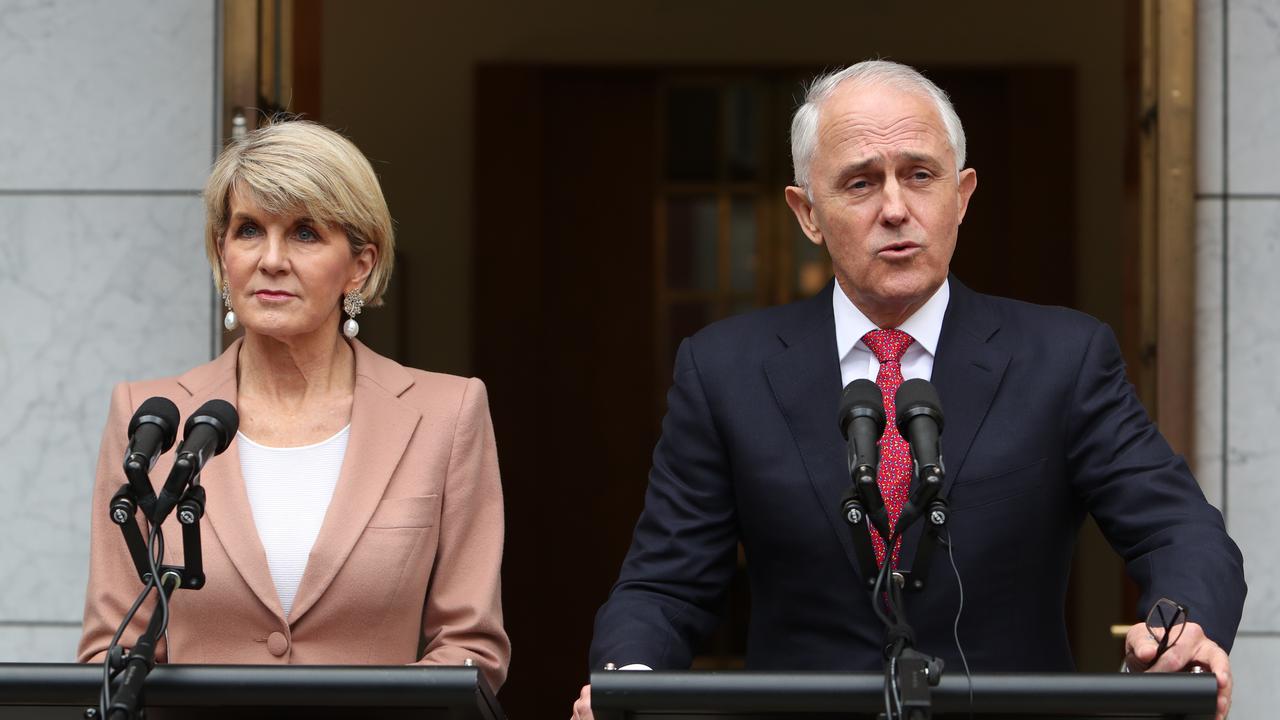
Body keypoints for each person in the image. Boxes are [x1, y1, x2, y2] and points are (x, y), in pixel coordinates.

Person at [573, 61, 1244, 719]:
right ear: (807, 212)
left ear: (962, 194)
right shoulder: (725, 369)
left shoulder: (1063, 358)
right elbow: (665, 585)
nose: (896, 209)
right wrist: (630, 686)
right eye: (861, 183)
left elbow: (1181, 535)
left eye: (920, 175)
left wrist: (1176, 631)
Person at [78, 119, 510, 691]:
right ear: (222, 251)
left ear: (360, 264)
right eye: (249, 230)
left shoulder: (448, 413)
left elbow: (470, 647)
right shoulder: (150, 417)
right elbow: (114, 647)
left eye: (305, 233)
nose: (272, 259)